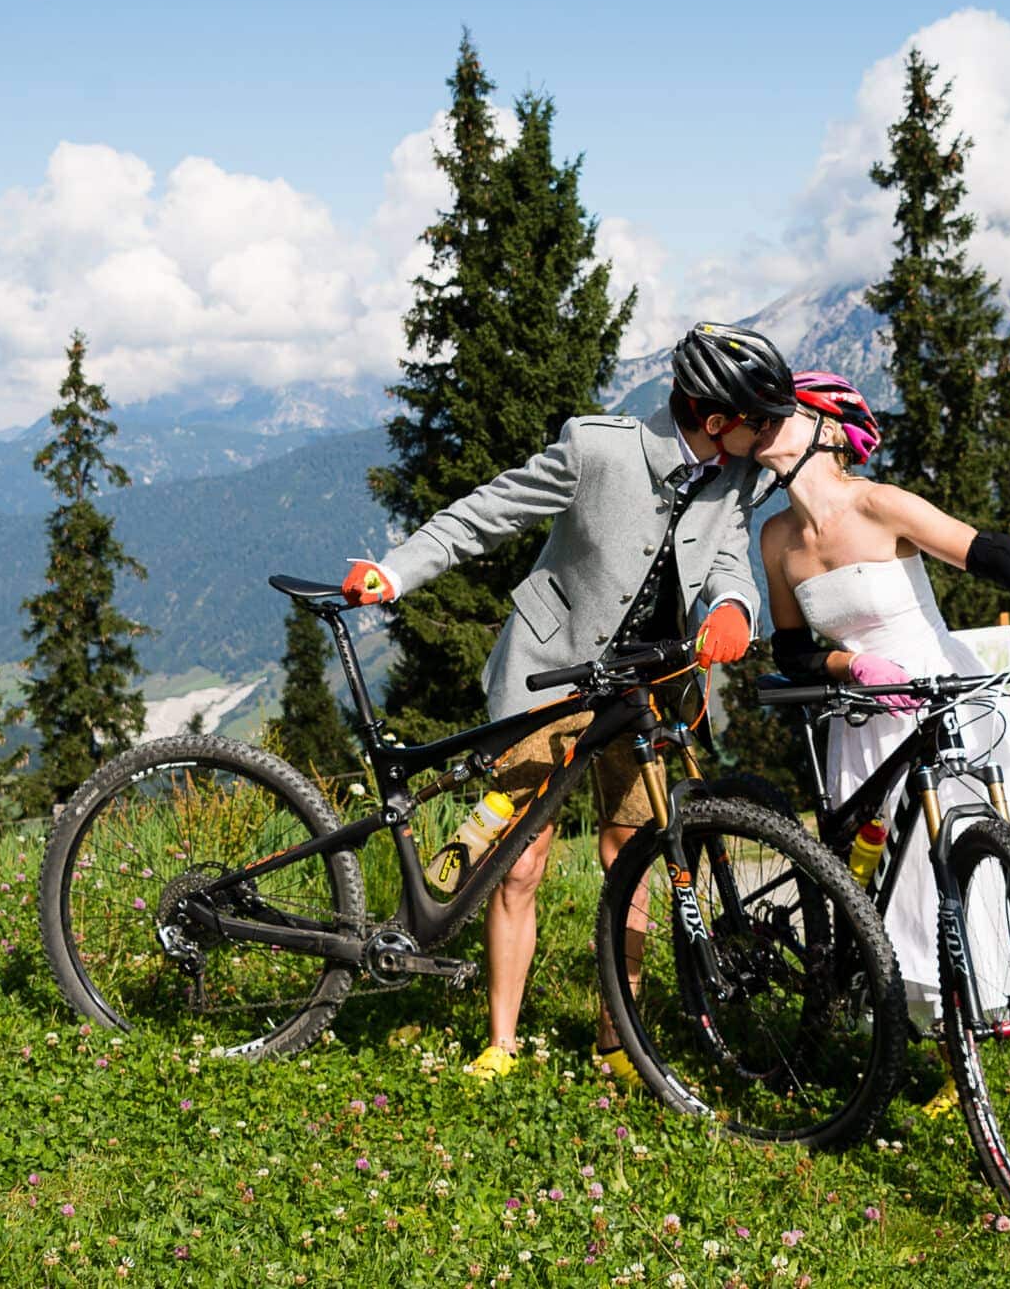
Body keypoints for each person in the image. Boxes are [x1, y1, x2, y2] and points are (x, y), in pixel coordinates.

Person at [336, 321, 793, 1083]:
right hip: (548, 673)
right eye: (760, 418)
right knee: (520, 862)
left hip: (646, 690)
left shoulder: (735, 476)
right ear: (716, 420)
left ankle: (619, 1043)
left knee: (634, 860)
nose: (770, 432)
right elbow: (487, 513)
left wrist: (735, 607)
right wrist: (397, 571)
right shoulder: (597, 449)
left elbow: (728, 560)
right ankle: (501, 1042)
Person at [753, 370, 1010, 1041]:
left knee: (1002, 868)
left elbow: (999, 555)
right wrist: (851, 665)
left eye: (785, 410)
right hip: (865, 722)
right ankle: (956, 1053)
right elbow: (793, 652)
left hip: (947, 699)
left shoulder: (879, 504)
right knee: (911, 894)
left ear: (829, 430)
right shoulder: (777, 538)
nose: (766, 420)